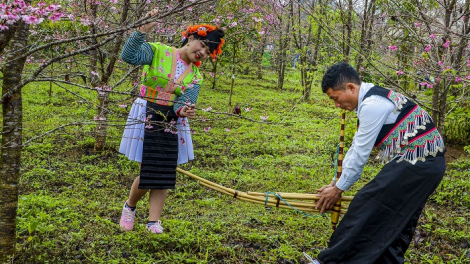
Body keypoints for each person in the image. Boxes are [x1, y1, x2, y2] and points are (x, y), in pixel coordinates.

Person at [308, 62, 445, 263]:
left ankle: (331, 260)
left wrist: (338, 189)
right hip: (423, 164)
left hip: (420, 162)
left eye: (335, 98)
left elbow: (361, 154)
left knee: (368, 203)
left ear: (350, 88)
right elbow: (356, 147)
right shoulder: (371, 99)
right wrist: (334, 182)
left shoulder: (373, 105)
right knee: (398, 218)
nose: (336, 105)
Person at [118, 8, 225, 234]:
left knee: (165, 168)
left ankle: (153, 221)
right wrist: (141, 31)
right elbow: (128, 56)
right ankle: (130, 205)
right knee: (149, 167)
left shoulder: (196, 77)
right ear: (192, 38)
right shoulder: (158, 51)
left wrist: (183, 110)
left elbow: (182, 102)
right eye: (202, 45)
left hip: (171, 118)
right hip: (147, 109)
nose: (203, 53)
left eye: (208, 52)